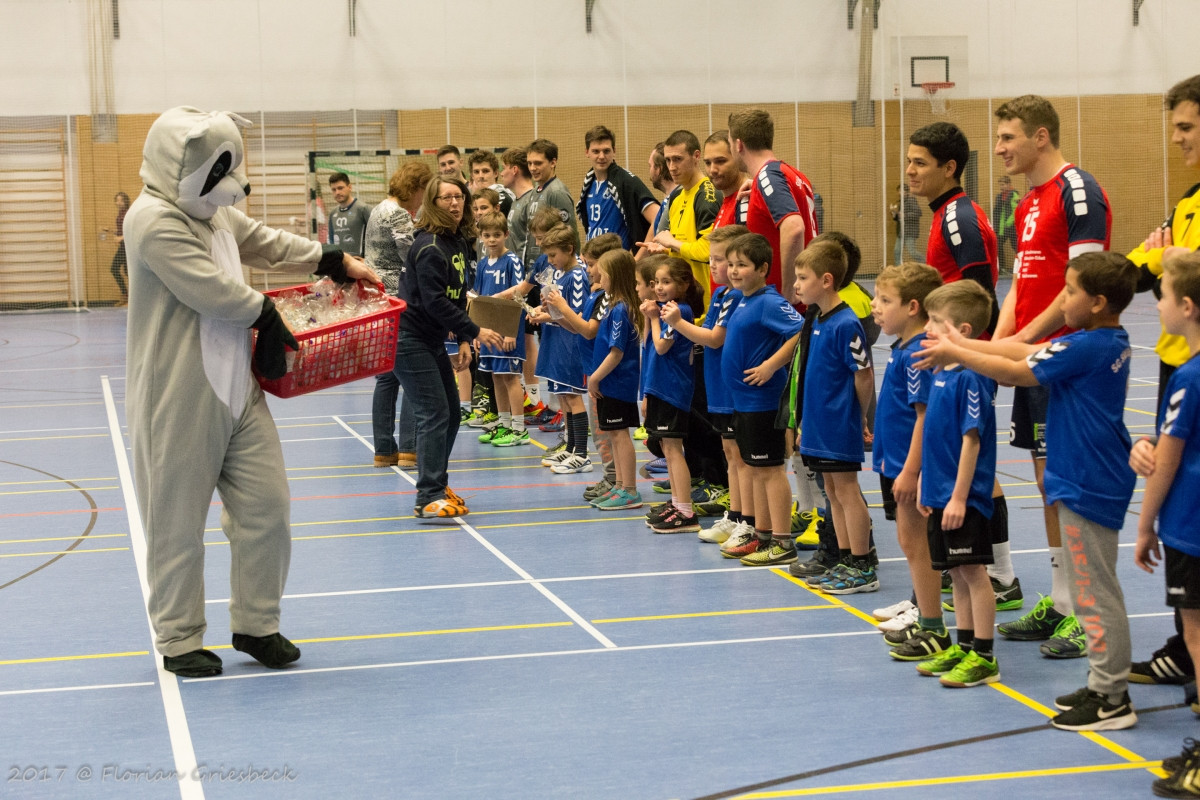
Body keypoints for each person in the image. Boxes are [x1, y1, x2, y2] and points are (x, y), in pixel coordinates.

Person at [124, 107, 379, 677]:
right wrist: (269, 311)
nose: (232, 187)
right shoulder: (153, 219)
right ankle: (179, 636)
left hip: (240, 387)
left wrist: (333, 259)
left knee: (267, 508)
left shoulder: (212, 212)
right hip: (178, 396)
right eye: (220, 172)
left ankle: (257, 624)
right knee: (176, 523)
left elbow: (261, 239)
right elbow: (210, 290)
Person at [918, 252, 1139, 724]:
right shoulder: (1096, 340)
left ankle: (1112, 697)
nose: (1062, 299)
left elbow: (1018, 371)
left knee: (1095, 593)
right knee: (1090, 588)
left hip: (1088, 481)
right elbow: (1021, 351)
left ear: (1098, 302)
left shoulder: (1090, 346)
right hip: (1085, 476)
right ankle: (1103, 684)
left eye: (1071, 291)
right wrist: (961, 342)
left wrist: (957, 352)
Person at [991, 95, 1111, 656]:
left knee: (1070, 484)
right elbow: (1020, 283)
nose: (998, 149)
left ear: (1041, 136)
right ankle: (1063, 601)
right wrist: (998, 343)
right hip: (1034, 359)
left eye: (1008, 137)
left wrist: (1024, 340)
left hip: (1067, 360)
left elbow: (1081, 289)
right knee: (1046, 482)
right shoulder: (1026, 202)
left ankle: (1086, 613)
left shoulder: (1076, 190)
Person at [904, 121, 1023, 616]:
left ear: (949, 168)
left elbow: (976, 294)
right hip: (954, 356)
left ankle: (1000, 573)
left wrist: (968, 354)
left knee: (975, 464)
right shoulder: (943, 215)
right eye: (908, 161)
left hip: (966, 359)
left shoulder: (959, 218)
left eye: (920, 163)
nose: (909, 171)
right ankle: (989, 570)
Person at [1126, 74, 1200, 688]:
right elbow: (1137, 270)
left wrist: (1168, 264)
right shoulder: (1186, 204)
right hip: (1179, 367)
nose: (1176, 139)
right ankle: (1184, 644)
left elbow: (1177, 278)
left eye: (1186, 127)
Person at [394, 174, 504, 520]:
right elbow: (433, 301)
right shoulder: (428, 246)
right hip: (408, 339)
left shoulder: (459, 242)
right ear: (432, 203)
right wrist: (476, 330)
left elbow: (458, 298)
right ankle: (427, 495)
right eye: (447, 198)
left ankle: (437, 485)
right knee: (433, 413)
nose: (455, 204)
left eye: (460, 197)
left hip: (431, 339)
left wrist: (465, 340)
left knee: (452, 412)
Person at [1132, 252, 1200, 796]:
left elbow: (1170, 457)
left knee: (1196, 632)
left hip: (1190, 523)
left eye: (1163, 294)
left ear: (1188, 307)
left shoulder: (1189, 378)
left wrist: (1146, 523)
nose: (1156, 304)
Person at [910, 281, 1000, 688]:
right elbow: (935, 437)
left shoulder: (972, 377)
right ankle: (963, 646)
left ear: (963, 331)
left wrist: (960, 497)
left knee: (974, 573)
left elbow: (971, 440)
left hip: (964, 499)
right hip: (940, 494)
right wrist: (929, 484)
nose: (927, 327)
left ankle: (983, 654)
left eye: (936, 322)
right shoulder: (939, 373)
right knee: (958, 575)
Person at [868, 263, 947, 662]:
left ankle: (933, 626)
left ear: (913, 306)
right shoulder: (902, 347)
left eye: (885, 301)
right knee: (909, 542)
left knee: (916, 544)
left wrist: (911, 470)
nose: (875, 307)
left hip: (908, 467)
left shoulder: (917, 352)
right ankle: (927, 617)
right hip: (895, 461)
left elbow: (923, 415)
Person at [714, 233, 804, 565]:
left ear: (763, 268)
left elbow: (799, 330)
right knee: (754, 469)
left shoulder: (769, 301)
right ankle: (762, 534)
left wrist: (770, 365)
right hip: (744, 402)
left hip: (763, 401)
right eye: (732, 264)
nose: (734, 271)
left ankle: (782, 541)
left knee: (769, 471)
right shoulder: (742, 299)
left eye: (743, 265)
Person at [792, 239, 876, 593]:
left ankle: (862, 564)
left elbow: (864, 374)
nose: (795, 285)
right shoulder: (817, 320)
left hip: (839, 422)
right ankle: (844, 556)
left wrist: (859, 417)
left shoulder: (846, 323)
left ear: (826, 280)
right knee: (831, 490)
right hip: (817, 423)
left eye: (802, 278)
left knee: (846, 490)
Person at [666, 224, 749, 545]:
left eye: (719, 259)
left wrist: (678, 324)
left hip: (734, 389)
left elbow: (716, 338)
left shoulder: (742, 297)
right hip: (717, 387)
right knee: (729, 453)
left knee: (740, 456)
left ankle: (748, 519)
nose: (712, 266)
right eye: (711, 259)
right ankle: (736, 515)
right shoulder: (720, 294)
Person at [366, 160, 433, 469]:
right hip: (398, 299)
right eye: (424, 192)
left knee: (386, 376)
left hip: (377, 298)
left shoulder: (378, 209)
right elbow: (414, 254)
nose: (424, 200)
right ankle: (409, 448)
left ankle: (384, 449)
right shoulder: (397, 215)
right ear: (416, 188)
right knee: (410, 375)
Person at [641, 257, 704, 533]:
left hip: (673, 390)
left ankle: (686, 512)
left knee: (675, 451)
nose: (660, 288)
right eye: (657, 283)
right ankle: (677, 503)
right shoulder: (668, 310)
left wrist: (654, 317)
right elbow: (648, 346)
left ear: (683, 284)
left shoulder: (680, 312)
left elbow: (661, 346)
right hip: (659, 386)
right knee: (667, 448)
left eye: (666, 282)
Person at [727, 109, 818, 301]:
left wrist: (788, 293)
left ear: (738, 144)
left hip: (785, 307)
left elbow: (794, 228)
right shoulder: (792, 175)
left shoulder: (769, 177)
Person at [527, 224, 592, 473]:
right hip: (556, 341)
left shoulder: (577, 276)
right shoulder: (561, 275)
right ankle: (571, 448)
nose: (551, 261)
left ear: (569, 249)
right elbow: (558, 310)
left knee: (573, 397)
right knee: (564, 397)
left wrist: (548, 317)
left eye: (554, 255)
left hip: (570, 344)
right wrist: (544, 310)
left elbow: (576, 315)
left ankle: (582, 455)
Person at [585, 249, 645, 510]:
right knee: (613, 435)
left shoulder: (621, 310)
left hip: (617, 383)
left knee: (620, 436)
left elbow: (617, 351)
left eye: (604, 272)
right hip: (610, 383)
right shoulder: (611, 306)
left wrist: (595, 378)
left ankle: (629, 489)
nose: (599, 276)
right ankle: (620, 485)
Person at [473, 211, 529, 448]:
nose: (492, 239)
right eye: (487, 235)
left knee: (511, 377)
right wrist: (476, 331)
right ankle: (504, 424)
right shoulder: (483, 264)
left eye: (497, 234)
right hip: (488, 332)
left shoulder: (512, 261)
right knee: (496, 377)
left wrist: (510, 331)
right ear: (481, 237)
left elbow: (518, 294)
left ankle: (519, 429)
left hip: (508, 330)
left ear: (506, 234)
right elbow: (478, 299)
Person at [649, 130, 721, 311]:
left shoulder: (707, 195)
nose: (671, 167)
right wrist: (666, 249)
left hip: (704, 304)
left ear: (696, 156)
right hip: (680, 302)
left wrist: (672, 241)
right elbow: (684, 244)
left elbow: (707, 251)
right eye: (667, 160)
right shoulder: (677, 195)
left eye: (677, 159)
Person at [575, 125, 659, 252]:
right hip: (593, 263)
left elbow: (658, 216)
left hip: (616, 264)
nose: (602, 156)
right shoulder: (589, 182)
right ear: (587, 152)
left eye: (606, 151)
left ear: (614, 151)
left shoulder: (626, 182)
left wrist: (638, 258)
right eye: (596, 151)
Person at [526, 138, 580, 244]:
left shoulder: (557, 192)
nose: (532, 168)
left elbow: (568, 234)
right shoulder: (535, 191)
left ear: (553, 162)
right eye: (529, 163)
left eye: (538, 163)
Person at [703, 131, 748, 230]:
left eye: (720, 161)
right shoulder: (727, 201)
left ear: (738, 157)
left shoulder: (747, 199)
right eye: (707, 163)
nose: (712, 170)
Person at [327, 172, 372, 257]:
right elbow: (331, 242)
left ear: (350, 187)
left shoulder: (363, 209)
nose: (337, 192)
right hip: (340, 264)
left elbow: (377, 237)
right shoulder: (333, 214)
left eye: (340, 188)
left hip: (361, 264)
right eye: (334, 189)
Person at [466, 149, 514, 215]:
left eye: (485, 171)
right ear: (472, 176)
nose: (481, 176)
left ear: (496, 173)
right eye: (476, 172)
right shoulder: (472, 200)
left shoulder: (502, 198)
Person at [108, 191, 130, 305]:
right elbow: (122, 230)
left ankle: (128, 296)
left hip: (127, 247)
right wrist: (114, 232)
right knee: (123, 271)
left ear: (125, 201)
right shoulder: (120, 213)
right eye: (117, 200)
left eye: (121, 200)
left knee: (120, 270)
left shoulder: (127, 213)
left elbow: (131, 230)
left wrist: (120, 238)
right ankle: (126, 295)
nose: (118, 202)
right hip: (123, 247)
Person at [890, 183, 921, 265]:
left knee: (912, 252)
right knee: (897, 251)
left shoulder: (911, 200)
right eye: (899, 191)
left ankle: (927, 263)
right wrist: (894, 214)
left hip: (909, 231)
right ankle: (898, 270)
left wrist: (905, 215)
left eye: (902, 190)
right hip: (901, 232)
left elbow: (918, 213)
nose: (900, 192)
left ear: (906, 191)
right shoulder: (900, 202)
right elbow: (899, 218)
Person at [993, 176, 1019, 269]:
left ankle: (1023, 263)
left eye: (1003, 185)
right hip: (1001, 228)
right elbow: (996, 211)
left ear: (1008, 184)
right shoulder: (999, 197)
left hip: (1011, 227)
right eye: (1000, 185)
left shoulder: (1014, 195)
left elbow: (1015, 211)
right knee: (998, 245)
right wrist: (996, 225)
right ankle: (1002, 267)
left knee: (1015, 246)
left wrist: (1009, 223)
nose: (1001, 187)